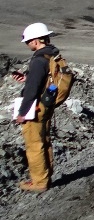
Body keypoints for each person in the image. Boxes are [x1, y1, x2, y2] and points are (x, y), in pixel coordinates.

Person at [13, 23, 61, 192]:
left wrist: (23, 113)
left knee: (34, 144)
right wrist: (27, 78)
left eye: (28, 41)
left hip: (37, 107)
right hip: (47, 105)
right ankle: (46, 175)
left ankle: (39, 182)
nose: (27, 45)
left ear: (35, 40)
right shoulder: (51, 55)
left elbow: (32, 90)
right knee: (44, 140)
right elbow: (41, 79)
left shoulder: (38, 60)